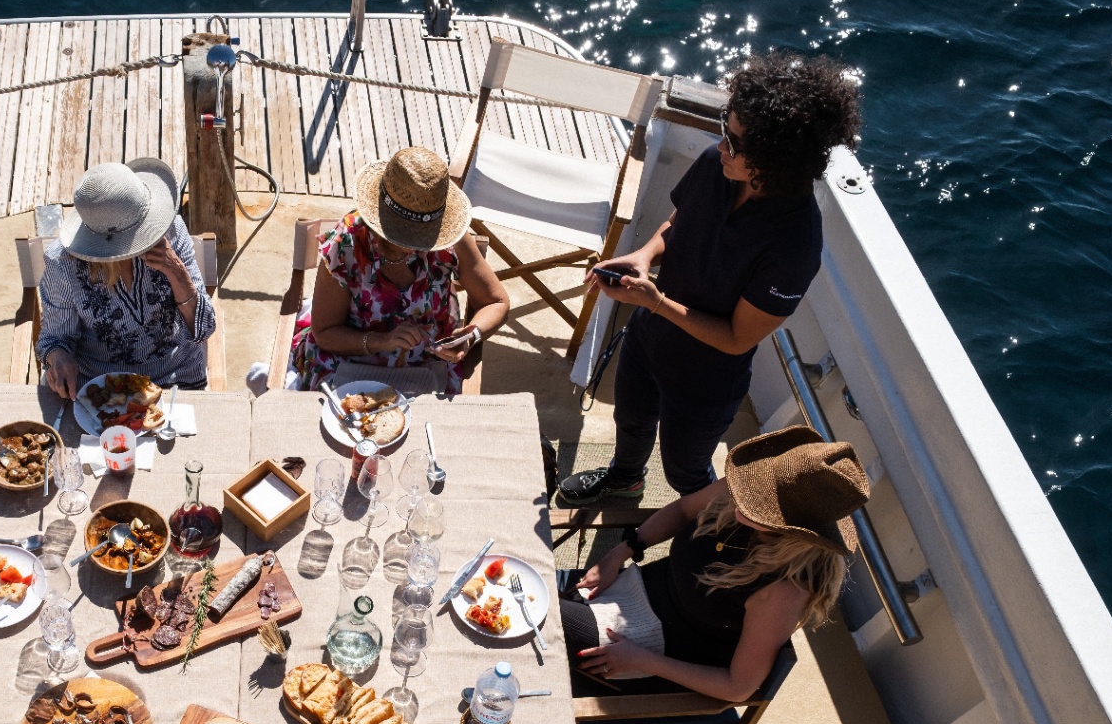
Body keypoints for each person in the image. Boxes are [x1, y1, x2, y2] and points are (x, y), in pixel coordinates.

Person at [558, 50, 861, 505]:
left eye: (734, 144)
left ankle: (703, 523)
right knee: (631, 422)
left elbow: (737, 338)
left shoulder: (795, 244)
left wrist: (656, 302)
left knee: (685, 468)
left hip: (704, 382)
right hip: (647, 340)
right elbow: (677, 224)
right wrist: (643, 256)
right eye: (725, 130)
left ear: (776, 159)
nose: (721, 147)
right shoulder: (715, 166)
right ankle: (626, 478)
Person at [564, 426, 867, 699]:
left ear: (794, 531)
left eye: (764, 506)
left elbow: (738, 686)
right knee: (541, 605)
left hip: (655, 651)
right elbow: (683, 510)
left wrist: (644, 661)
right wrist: (619, 553)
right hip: (631, 589)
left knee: (546, 621)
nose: (746, 499)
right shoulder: (746, 488)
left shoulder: (785, 591)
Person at [289, 146, 509, 395]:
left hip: (426, 368)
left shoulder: (452, 239)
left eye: (426, 235)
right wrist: (382, 341)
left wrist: (470, 335)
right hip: (352, 359)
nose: (419, 244)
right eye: (409, 234)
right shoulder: (346, 245)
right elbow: (325, 333)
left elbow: (496, 301)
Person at [37, 158, 216, 397]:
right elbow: (54, 339)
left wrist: (177, 272)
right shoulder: (63, 264)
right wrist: (59, 358)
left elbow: (204, 327)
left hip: (176, 378)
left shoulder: (171, 229)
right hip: (101, 387)